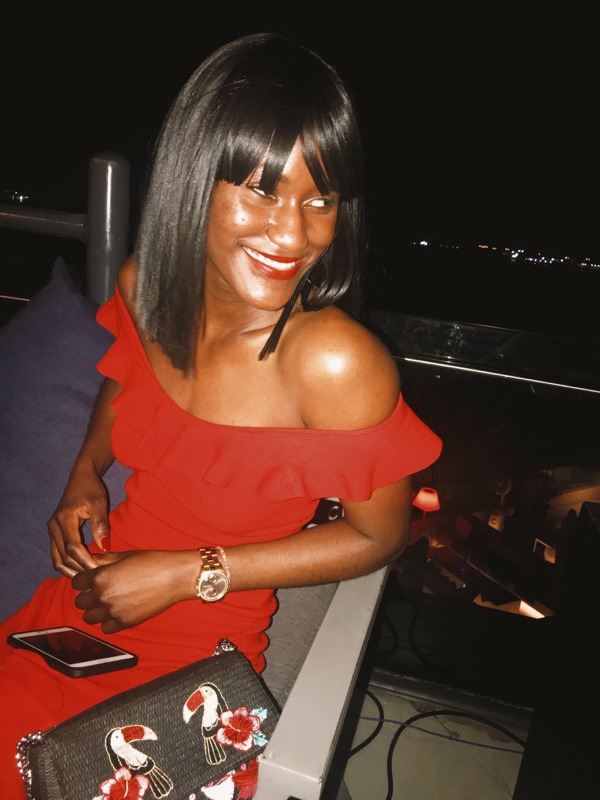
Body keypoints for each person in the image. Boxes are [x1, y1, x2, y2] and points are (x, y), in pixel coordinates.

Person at [0, 32, 442, 795]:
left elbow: (380, 535)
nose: (295, 233)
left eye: (321, 199)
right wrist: (85, 474)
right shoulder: (146, 286)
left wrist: (188, 575)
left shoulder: (333, 360)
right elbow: (122, 383)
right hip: (82, 605)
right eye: (261, 190)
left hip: (196, 663)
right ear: (193, 181)